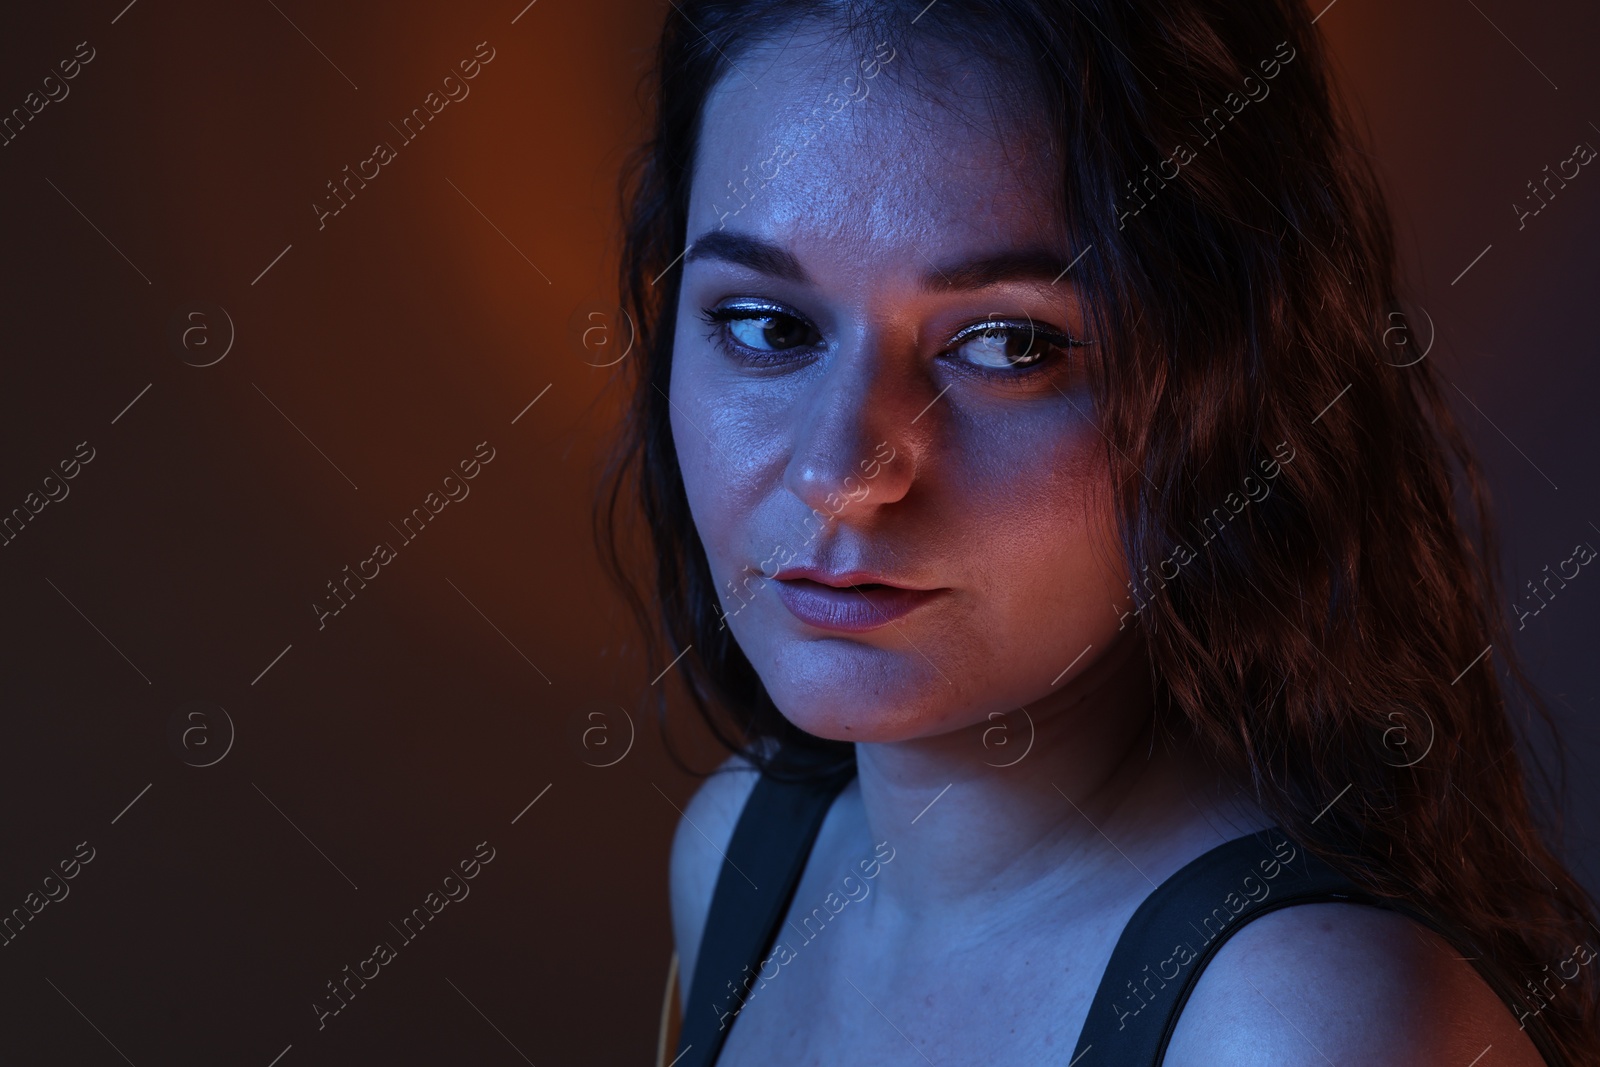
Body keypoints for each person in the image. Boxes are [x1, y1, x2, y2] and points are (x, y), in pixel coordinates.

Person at [596, 1, 1600, 1064]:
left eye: (1008, 343)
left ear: (1227, 383)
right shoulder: (743, 852)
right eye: (766, 326)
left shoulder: (1303, 1025)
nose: (840, 476)